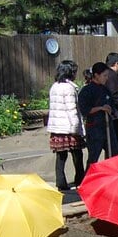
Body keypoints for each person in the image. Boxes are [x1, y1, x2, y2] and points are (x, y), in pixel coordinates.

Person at [46, 60, 85, 190]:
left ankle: (61, 182)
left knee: (61, 155)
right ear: (70, 72)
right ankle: (80, 179)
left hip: (56, 126)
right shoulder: (69, 88)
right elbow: (72, 109)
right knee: (77, 154)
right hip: (68, 127)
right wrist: (76, 127)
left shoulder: (54, 86)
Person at [78, 63, 118, 165]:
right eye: (104, 75)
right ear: (96, 75)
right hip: (94, 129)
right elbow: (85, 110)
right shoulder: (86, 91)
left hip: (108, 127)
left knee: (114, 155)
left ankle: (111, 174)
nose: (106, 78)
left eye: (107, 75)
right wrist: (100, 108)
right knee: (93, 158)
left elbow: (112, 107)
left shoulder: (105, 90)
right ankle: (90, 175)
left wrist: (110, 110)